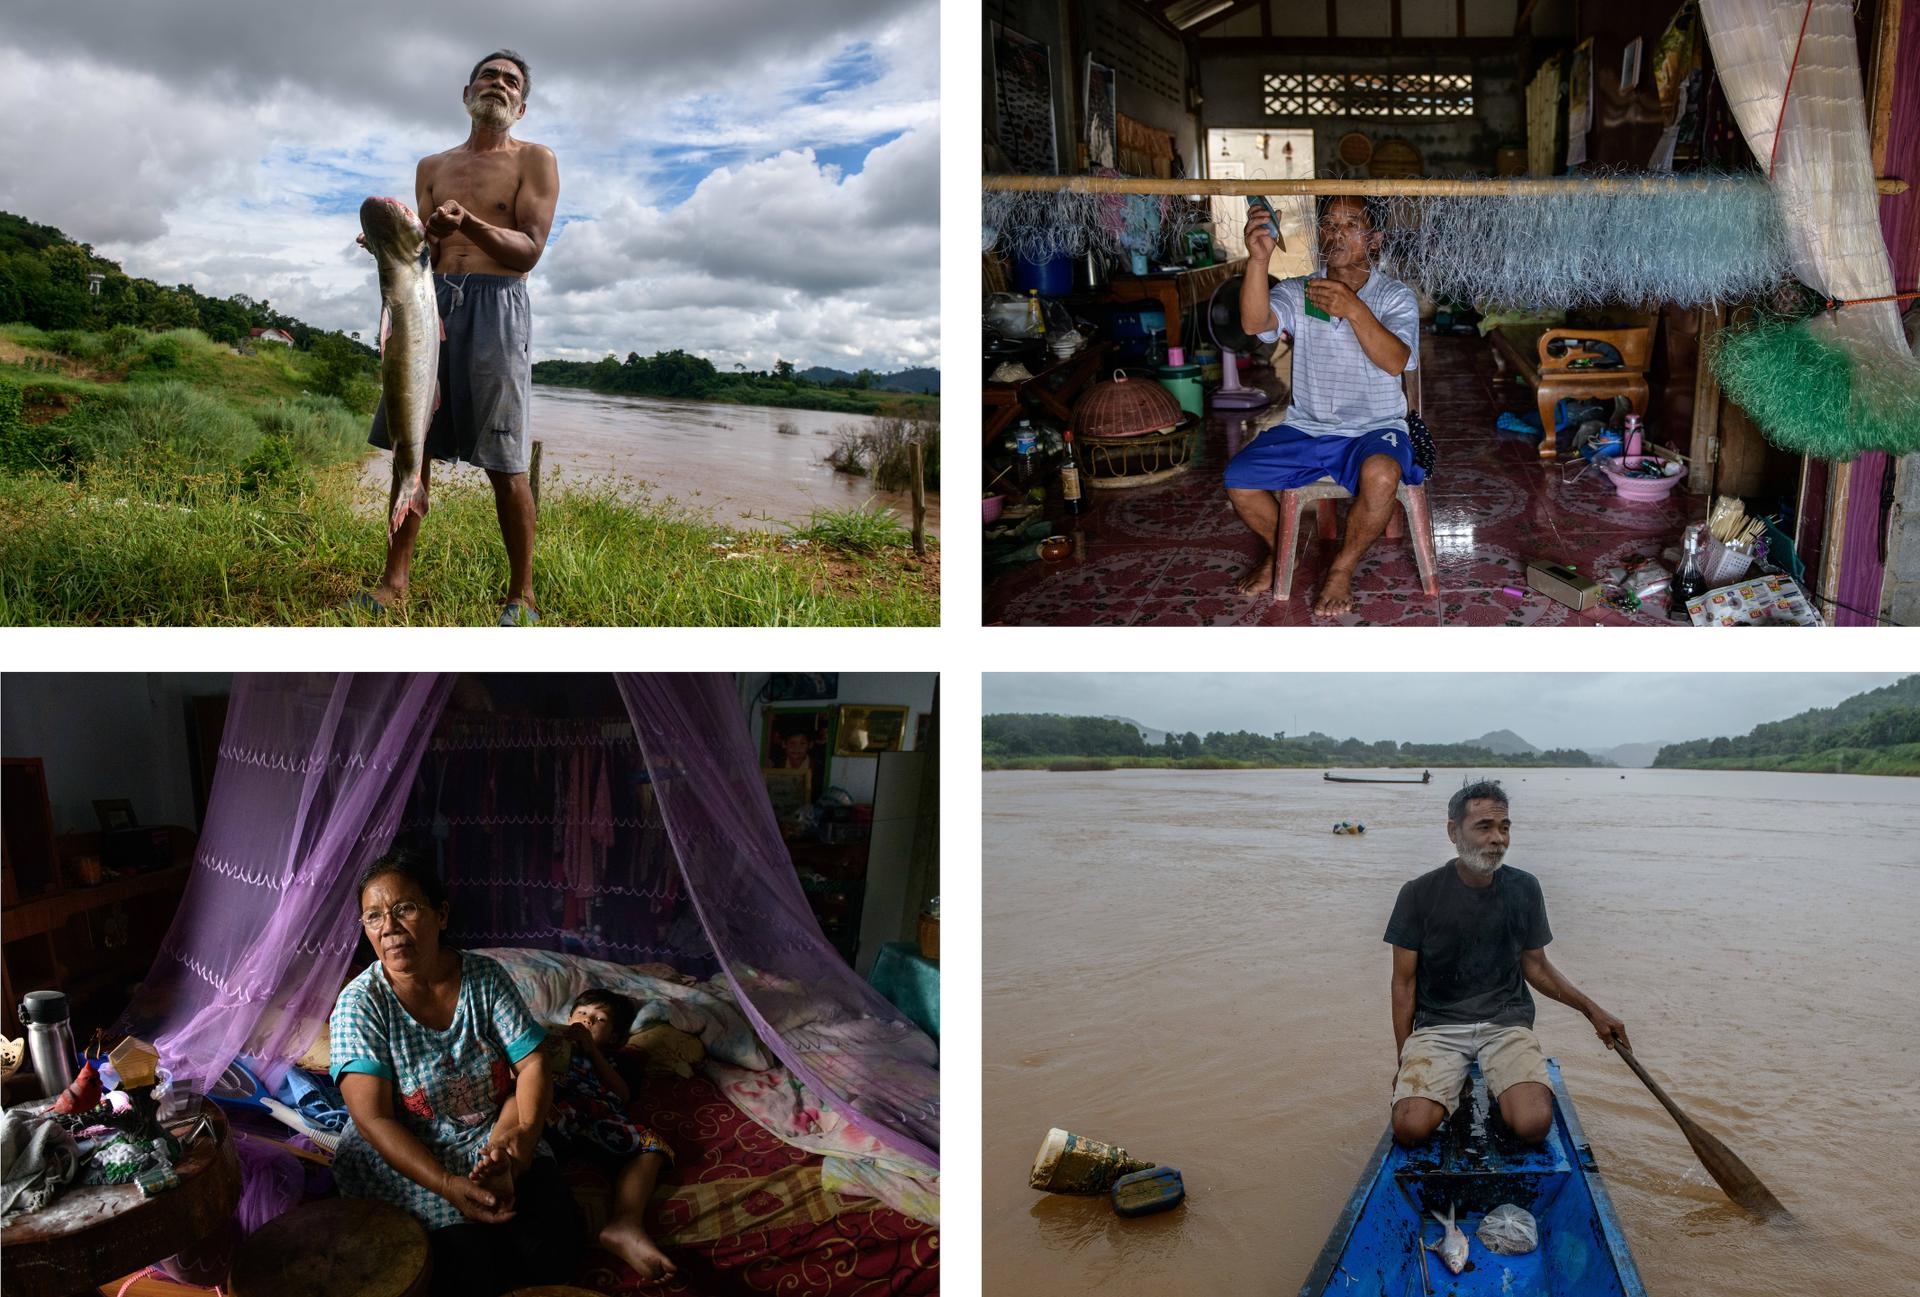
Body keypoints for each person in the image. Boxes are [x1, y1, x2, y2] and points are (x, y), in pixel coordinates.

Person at [355, 49, 560, 626]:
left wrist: (468, 222)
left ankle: (521, 593)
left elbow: (530, 251)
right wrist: (391, 242)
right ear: (466, 92)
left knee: (506, 459)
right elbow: (425, 251)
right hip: (429, 302)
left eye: (511, 81)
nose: (499, 84)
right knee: (410, 443)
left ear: (522, 105)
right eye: (489, 76)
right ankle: (394, 581)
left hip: (498, 305)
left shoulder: (536, 160)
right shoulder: (431, 167)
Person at [329, 849, 582, 1296]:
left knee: (554, 1254)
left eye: (404, 908)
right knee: (469, 1274)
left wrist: (516, 1147)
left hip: (492, 1134)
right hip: (411, 1154)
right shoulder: (360, 1003)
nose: (388, 927)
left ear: (440, 914)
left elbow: (533, 1063)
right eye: (373, 916)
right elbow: (375, 1120)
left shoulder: (484, 978)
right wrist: (447, 1185)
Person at [1383, 781, 1628, 1148]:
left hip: (1505, 1021)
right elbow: (1403, 984)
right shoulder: (1418, 894)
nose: (1498, 838)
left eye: (1505, 827)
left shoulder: (1524, 889)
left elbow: (1537, 967)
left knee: (1532, 1125)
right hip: (1439, 1025)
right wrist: (1404, 1057)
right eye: (1484, 827)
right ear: (1454, 831)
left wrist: (1592, 1011)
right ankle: (1456, 1084)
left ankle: (1504, 1094)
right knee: (1410, 1127)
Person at [1223, 196, 1423, 617]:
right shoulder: (1300, 291)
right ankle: (1285, 552)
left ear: (1375, 241)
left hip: (1375, 428)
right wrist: (1257, 259)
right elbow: (1254, 324)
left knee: (1384, 474)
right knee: (1238, 479)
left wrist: (1354, 309)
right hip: (1307, 428)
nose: (1336, 233)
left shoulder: (1394, 297)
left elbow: (1395, 361)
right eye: (1330, 224)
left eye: (1351, 224)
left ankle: (1341, 569)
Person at [549, 989, 678, 1281]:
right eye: (582, 1013)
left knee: (651, 1145)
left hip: (598, 1117)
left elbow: (622, 1094)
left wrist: (593, 1052)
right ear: (568, 1018)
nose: (588, 1021)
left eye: (600, 1019)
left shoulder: (614, 1059)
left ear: (615, 1036)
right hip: (556, 1108)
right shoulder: (552, 1041)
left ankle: (625, 1223)